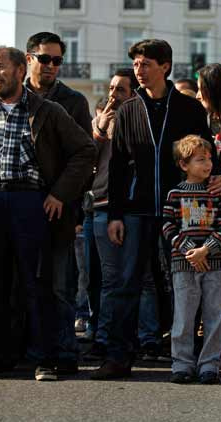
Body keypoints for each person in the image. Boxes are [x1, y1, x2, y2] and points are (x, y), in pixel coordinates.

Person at [0, 46, 95, 380]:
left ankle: (46, 359)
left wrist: (59, 193)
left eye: (0, 67)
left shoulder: (48, 110)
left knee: (37, 285)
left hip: (32, 204)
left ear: (19, 69)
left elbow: (85, 151)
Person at [91, 39, 221, 380]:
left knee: (186, 282)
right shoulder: (128, 110)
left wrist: (218, 177)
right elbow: (118, 166)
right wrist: (116, 214)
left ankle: (189, 359)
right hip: (136, 211)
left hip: (183, 210)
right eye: (135, 64)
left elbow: (205, 154)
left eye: (146, 63)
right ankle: (119, 357)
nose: (139, 70)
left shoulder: (190, 108)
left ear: (165, 66)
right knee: (126, 284)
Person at [25, 31, 93, 375]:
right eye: (44, 59)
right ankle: (27, 352)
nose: (51, 66)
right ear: (28, 59)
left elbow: (84, 157)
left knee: (61, 285)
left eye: (57, 60)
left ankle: (64, 354)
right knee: (22, 284)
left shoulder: (73, 101)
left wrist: (65, 198)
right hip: (17, 204)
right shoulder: (10, 97)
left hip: (60, 207)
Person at [161, 135, 221, 385]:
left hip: (215, 264)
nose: (207, 164)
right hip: (184, 264)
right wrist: (192, 251)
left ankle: (209, 365)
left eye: (209, 159)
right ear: (184, 165)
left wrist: (207, 250)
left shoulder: (218, 192)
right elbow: (169, 226)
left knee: (214, 315)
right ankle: (181, 364)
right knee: (183, 316)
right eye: (200, 160)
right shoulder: (175, 193)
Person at [83, 68, 138, 360]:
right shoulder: (99, 121)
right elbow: (85, 157)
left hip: (118, 207)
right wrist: (99, 129)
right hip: (94, 204)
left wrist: (112, 126)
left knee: (114, 280)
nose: (113, 95)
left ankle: (109, 339)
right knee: (94, 279)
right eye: (112, 88)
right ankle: (99, 331)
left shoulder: (131, 121)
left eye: (121, 90)